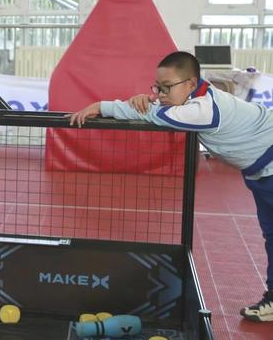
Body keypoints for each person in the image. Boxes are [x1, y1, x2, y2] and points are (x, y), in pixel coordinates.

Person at [69, 51, 273, 322]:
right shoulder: (197, 96)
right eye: (158, 87)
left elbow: (158, 116)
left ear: (191, 83)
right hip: (261, 172)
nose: (161, 93)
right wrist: (147, 100)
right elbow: (159, 108)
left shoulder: (203, 109)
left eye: (167, 87)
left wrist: (103, 106)